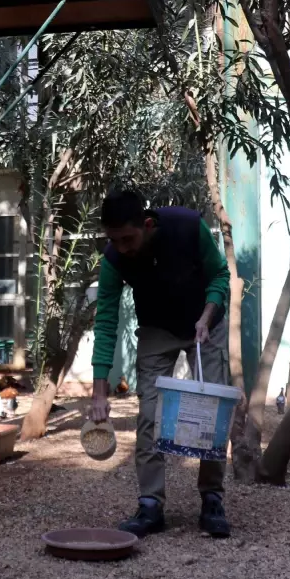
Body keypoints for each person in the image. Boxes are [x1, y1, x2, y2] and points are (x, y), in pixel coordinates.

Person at [90, 189, 233, 538]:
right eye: (114, 240)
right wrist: (98, 392)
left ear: (148, 224)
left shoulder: (187, 226)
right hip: (157, 327)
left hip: (205, 322)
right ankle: (150, 504)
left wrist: (207, 314)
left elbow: (220, 277)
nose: (122, 247)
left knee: (211, 411)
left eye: (128, 238)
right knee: (150, 415)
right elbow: (106, 321)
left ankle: (212, 499)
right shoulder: (114, 258)